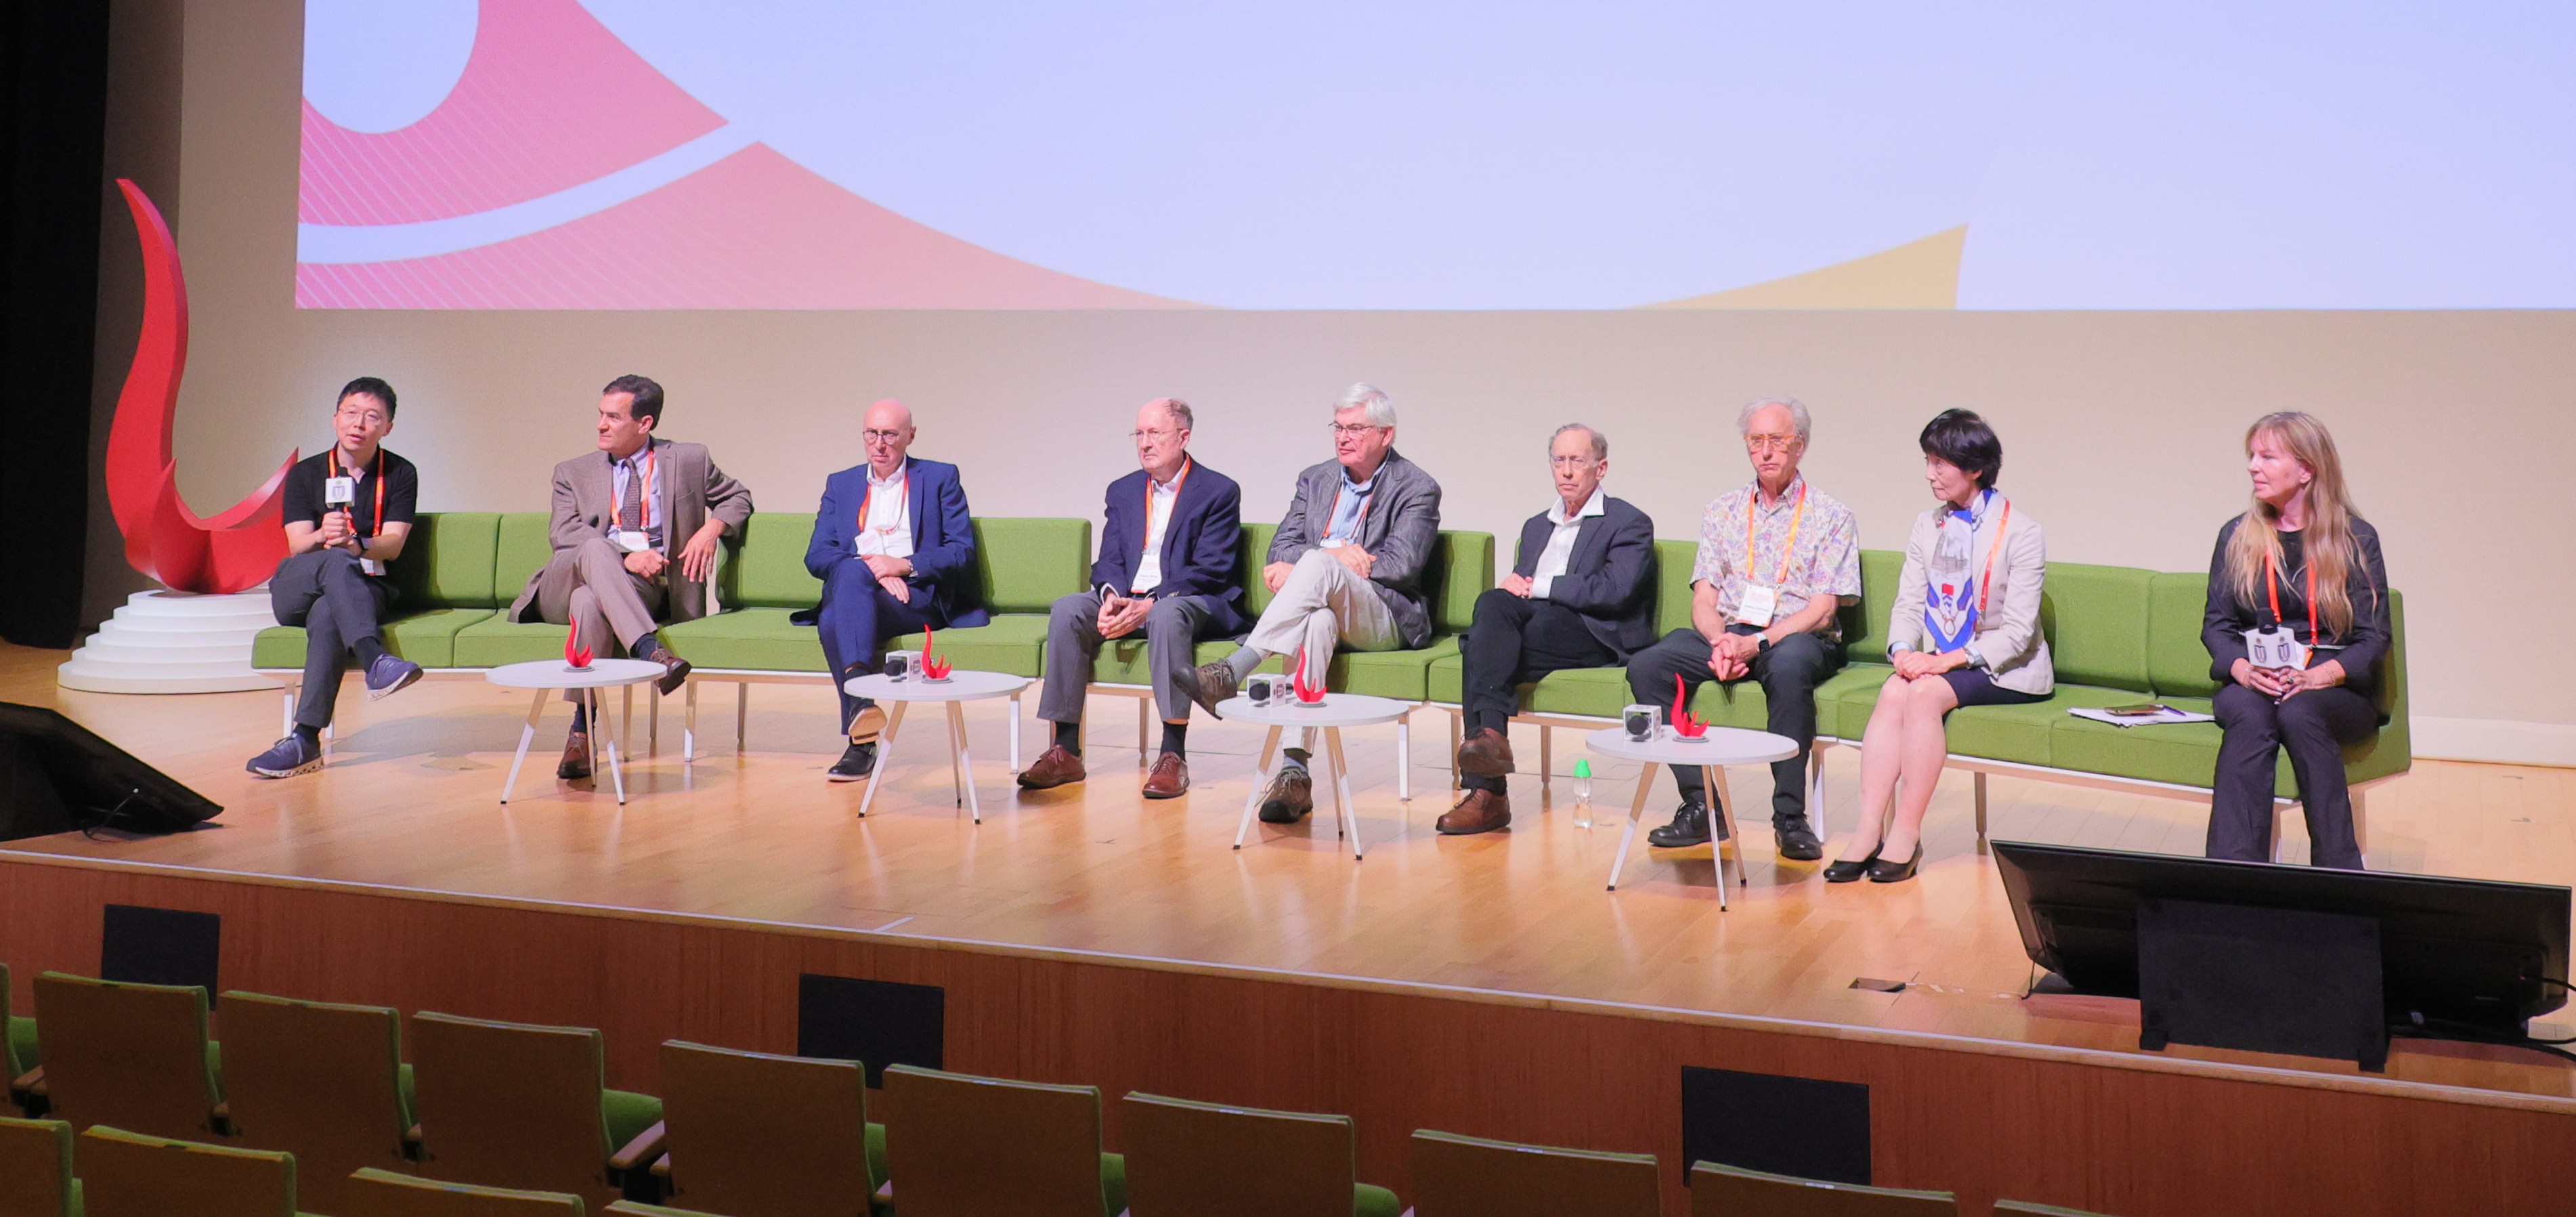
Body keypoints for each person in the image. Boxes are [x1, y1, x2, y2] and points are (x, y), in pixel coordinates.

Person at [1176, 383, 1442, 823]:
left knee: (1317, 567)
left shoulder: (1417, 486)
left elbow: (1403, 563)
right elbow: (1280, 547)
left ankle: (1235, 668)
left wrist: (1318, 561)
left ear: (1386, 434)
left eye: (1356, 428)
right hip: (1328, 607)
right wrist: (1333, 556)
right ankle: (1294, 772)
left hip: (1383, 612)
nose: (1343, 437)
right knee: (1316, 620)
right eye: (1338, 427)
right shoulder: (1315, 479)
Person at [1624, 398, 1859, 861]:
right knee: (1648, 665)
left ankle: (1790, 818)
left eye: (1778, 440)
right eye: (1756, 440)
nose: (1766, 451)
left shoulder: (1831, 515)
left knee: (1790, 668)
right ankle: (1700, 806)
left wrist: (1756, 643)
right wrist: (1722, 641)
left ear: (1801, 446)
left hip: (1793, 636)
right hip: (1732, 631)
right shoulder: (1724, 510)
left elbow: (1823, 609)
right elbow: (1704, 598)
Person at [1825, 410, 2050, 884]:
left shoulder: (2021, 532)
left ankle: (1905, 835)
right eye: (1927, 461)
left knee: (1924, 693)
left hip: (2002, 666)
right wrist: (1904, 650)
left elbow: (2018, 633)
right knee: (1893, 690)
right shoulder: (1927, 527)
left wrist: (1944, 661)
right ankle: (1868, 830)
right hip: (1938, 660)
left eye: (1940, 463)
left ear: (1976, 468)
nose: (1930, 473)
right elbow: (1908, 602)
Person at [505, 375, 752, 782]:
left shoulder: (688, 460)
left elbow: (737, 497)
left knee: (591, 603)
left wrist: (711, 530)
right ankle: (649, 648)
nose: (600, 425)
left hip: (642, 591)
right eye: (601, 415)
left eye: (613, 417)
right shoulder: (573, 471)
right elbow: (564, 534)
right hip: (562, 586)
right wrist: (627, 555)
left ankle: (581, 730)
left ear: (645, 423)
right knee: (596, 550)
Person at [1021, 398, 1247, 798]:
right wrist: (1109, 597)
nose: (1144, 443)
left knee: (1166, 614)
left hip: (1190, 600)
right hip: (1129, 598)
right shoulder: (1123, 490)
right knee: (1069, 609)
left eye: (1155, 433)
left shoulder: (1217, 491)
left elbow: (1211, 569)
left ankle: (1173, 756)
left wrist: (1151, 603)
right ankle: (1065, 750)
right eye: (1139, 434)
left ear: (1184, 437)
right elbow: (1108, 559)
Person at [1441, 423, 1655, 835]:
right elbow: (1519, 591)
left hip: (1592, 633)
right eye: (1559, 460)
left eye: (1578, 461)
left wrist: (1538, 586)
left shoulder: (1628, 522)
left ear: (1601, 468)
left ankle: (1488, 794)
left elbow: (1615, 591)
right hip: (1539, 628)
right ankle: (1490, 739)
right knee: (1491, 603)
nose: (1567, 471)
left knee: (1480, 650)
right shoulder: (1537, 525)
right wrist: (1513, 586)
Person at [2202, 411, 2390, 870]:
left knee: (2301, 713)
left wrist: (2317, 676)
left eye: (2267, 456)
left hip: (2332, 687)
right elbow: (2217, 625)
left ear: (2306, 470)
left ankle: (2338, 876)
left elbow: (2373, 637)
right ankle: (2231, 876)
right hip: (2256, 680)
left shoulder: (2355, 539)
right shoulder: (2238, 535)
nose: (2252, 466)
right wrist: (2244, 669)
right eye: (2252, 455)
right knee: (2248, 714)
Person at [799, 398, 987, 782]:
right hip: (864, 592)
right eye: (872, 434)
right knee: (848, 583)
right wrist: (875, 569)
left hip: (916, 596)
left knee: (836, 617)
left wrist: (903, 565)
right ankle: (861, 712)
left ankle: (860, 729)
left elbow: (961, 551)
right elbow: (817, 555)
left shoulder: (939, 478)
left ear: (910, 436)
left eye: (890, 435)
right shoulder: (842, 483)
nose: (880, 444)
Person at [245, 378, 425, 778]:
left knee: (331, 610)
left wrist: (358, 544)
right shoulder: (307, 473)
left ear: (388, 428)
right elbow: (297, 545)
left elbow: (393, 545)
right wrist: (323, 536)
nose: (359, 423)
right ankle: (375, 659)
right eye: (351, 413)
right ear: (335, 418)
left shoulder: (400, 474)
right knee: (335, 563)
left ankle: (304, 741)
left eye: (372, 416)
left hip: (363, 587)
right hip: (300, 585)